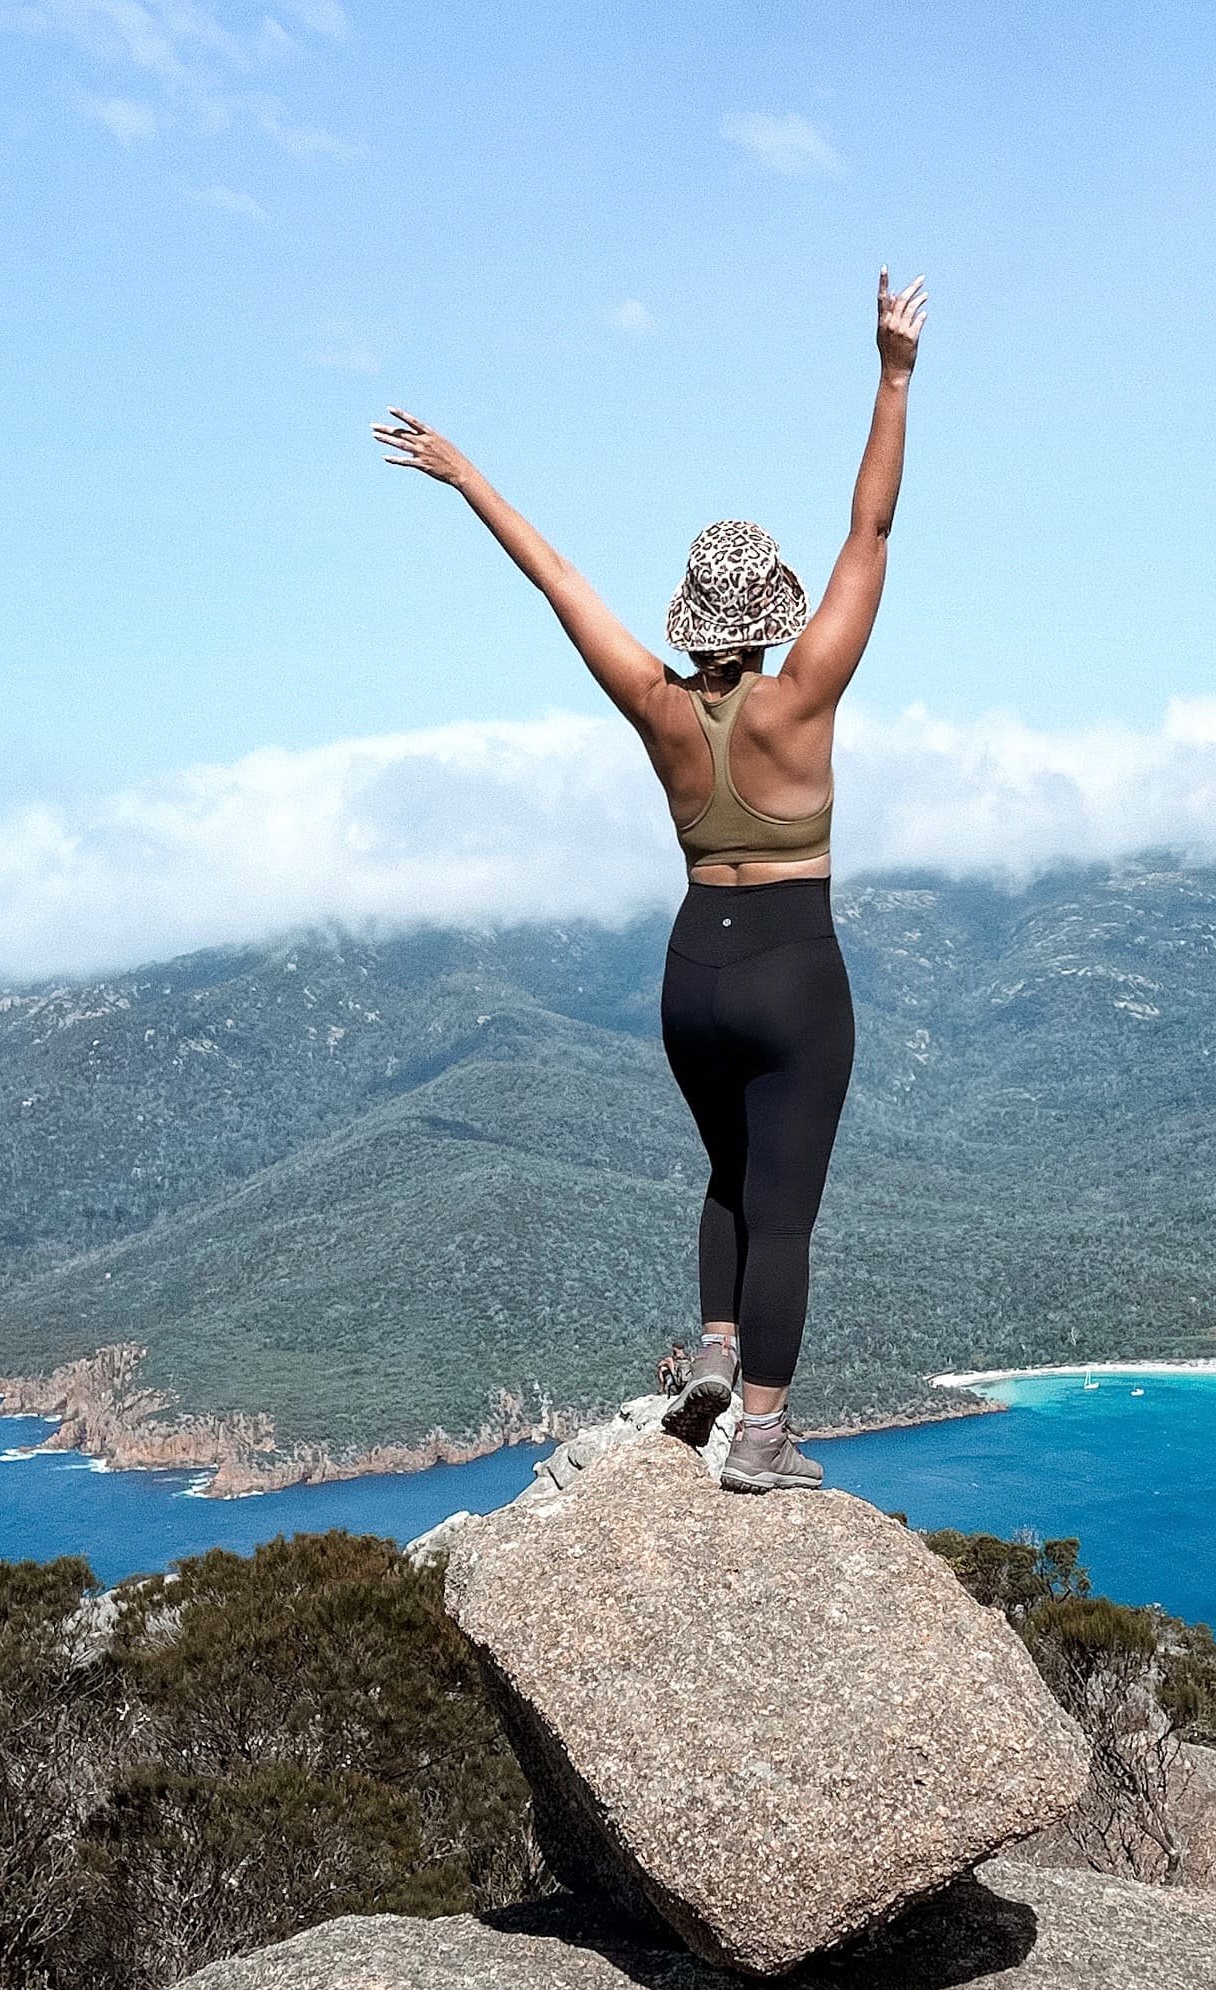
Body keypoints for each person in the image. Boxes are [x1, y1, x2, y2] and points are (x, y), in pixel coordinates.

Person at [374, 269, 928, 1492]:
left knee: (725, 1174)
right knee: (782, 1209)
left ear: (689, 620)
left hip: (693, 967)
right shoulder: (803, 696)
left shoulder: (654, 702)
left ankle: (713, 1355)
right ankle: (764, 1439)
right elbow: (869, 533)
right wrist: (892, 376)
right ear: (773, 616)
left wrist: (465, 475)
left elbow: (556, 576)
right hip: (791, 965)